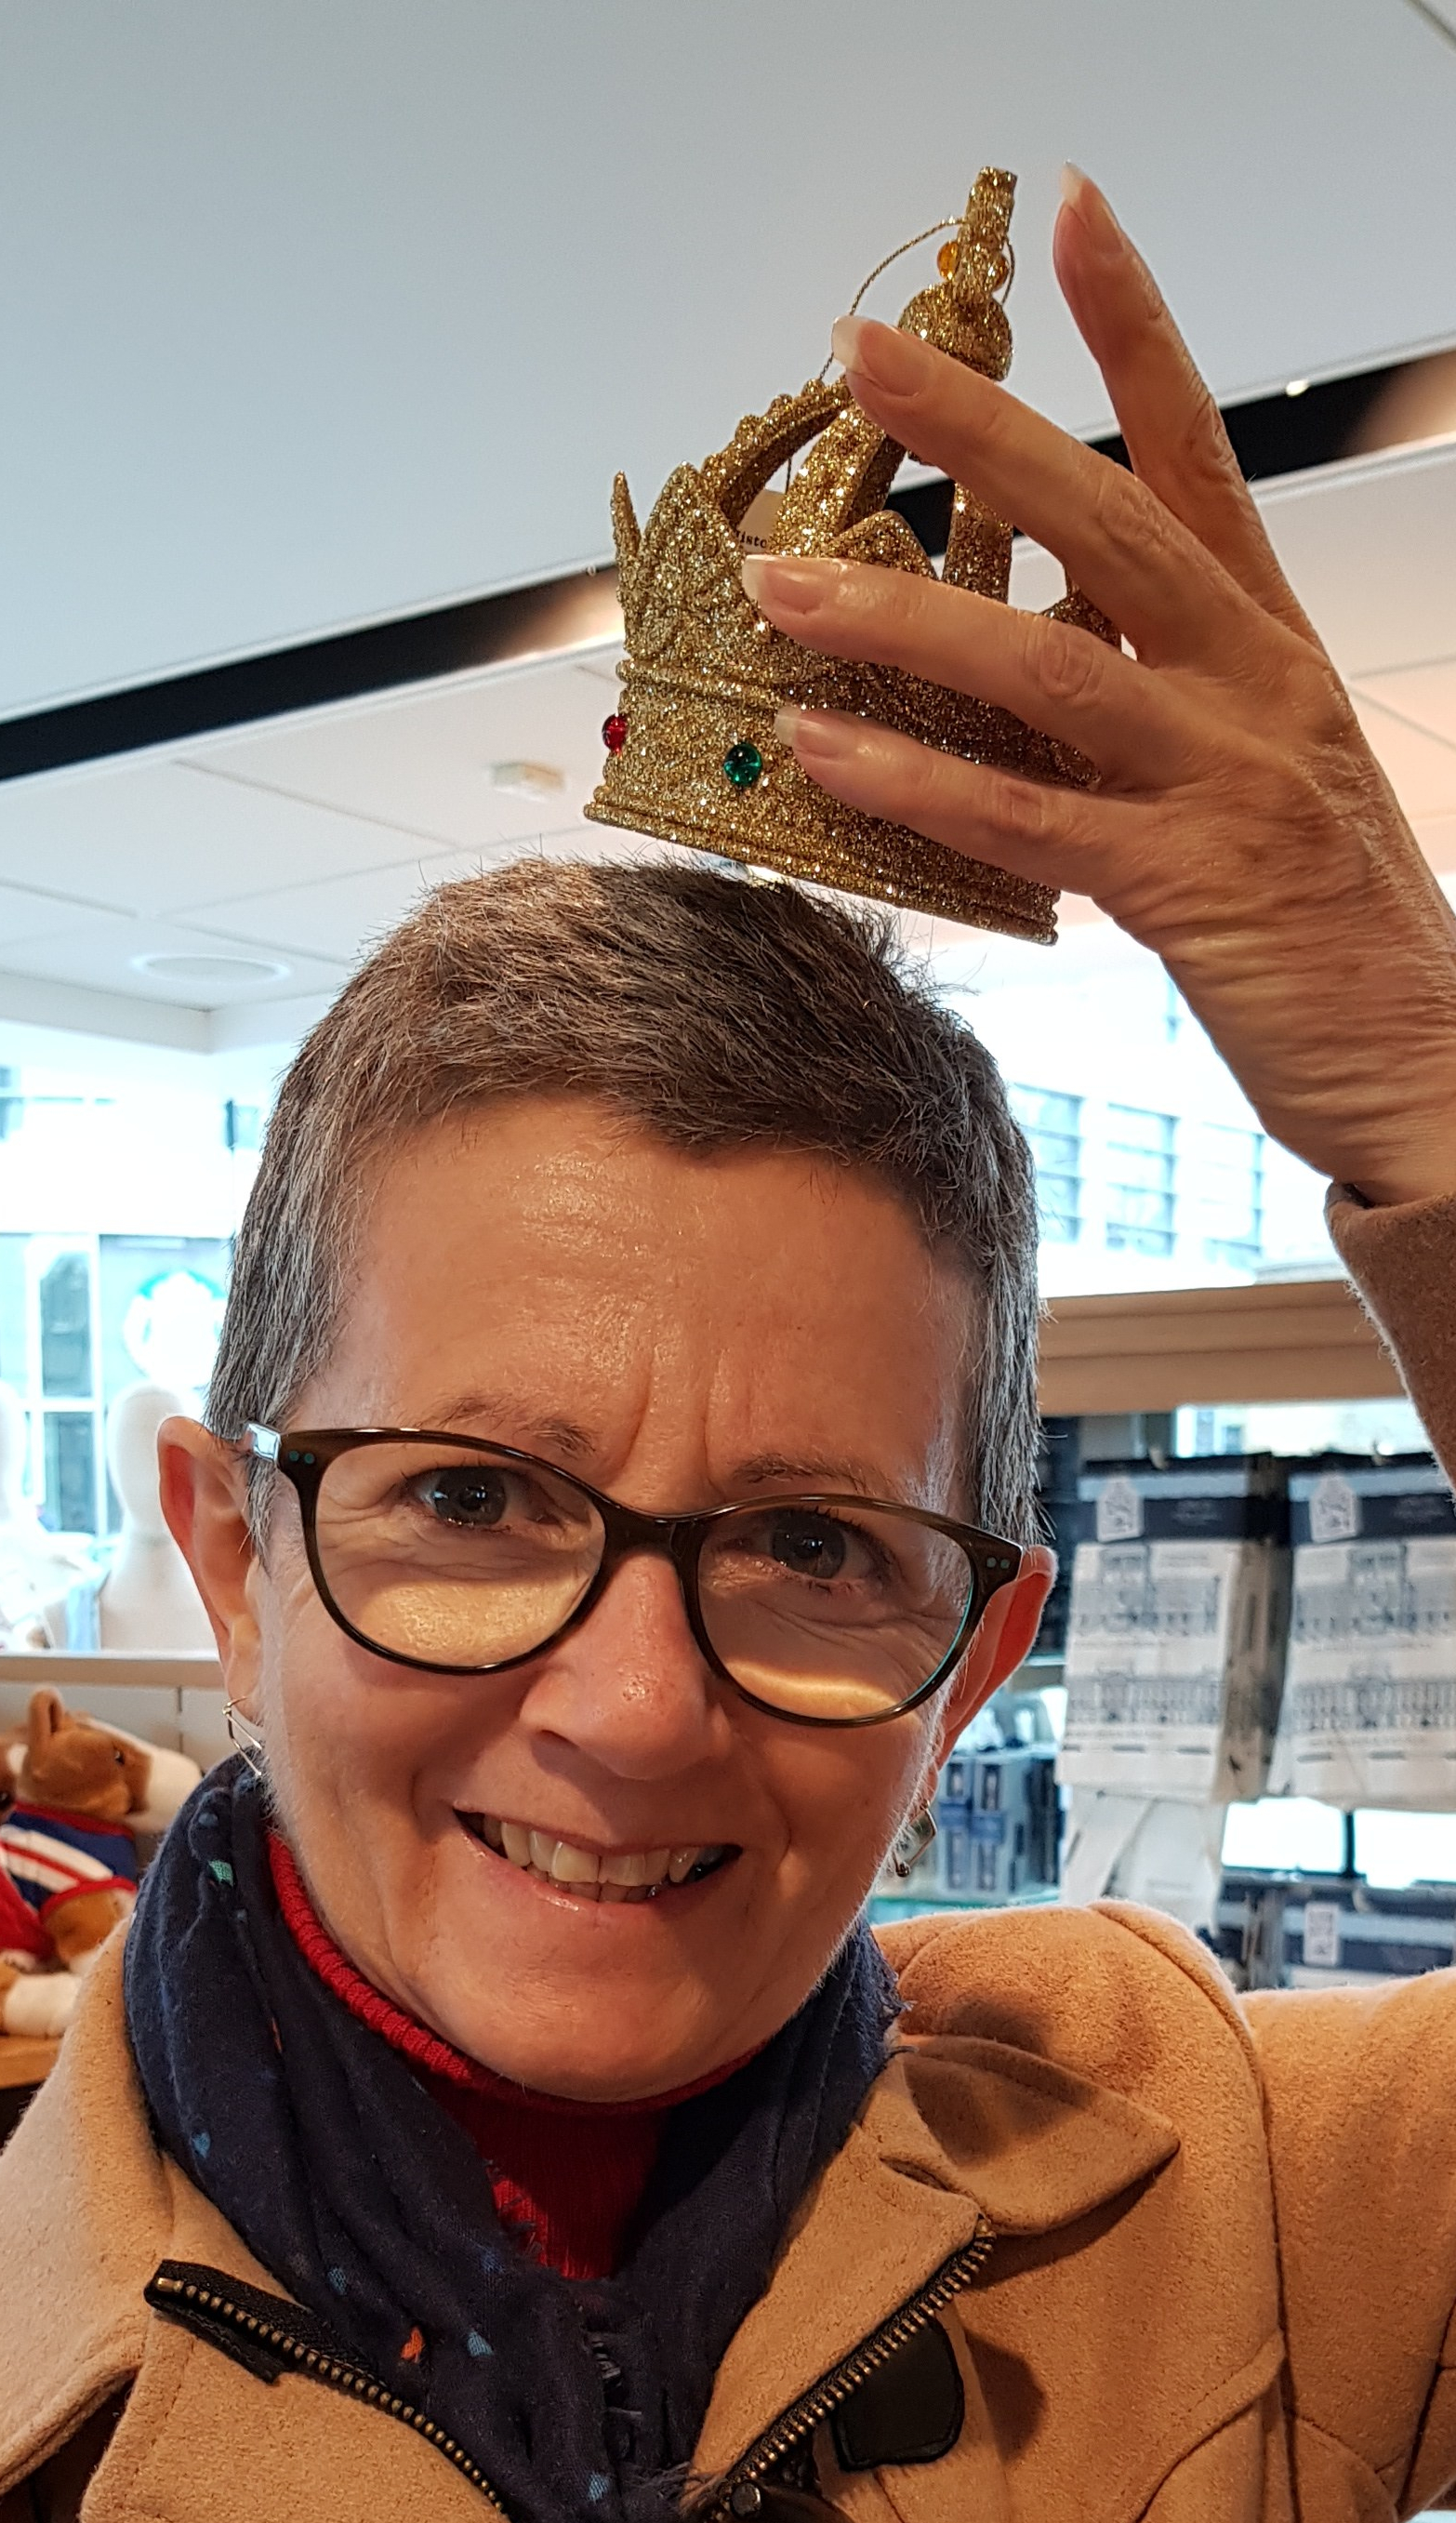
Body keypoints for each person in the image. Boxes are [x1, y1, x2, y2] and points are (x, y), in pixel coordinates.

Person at [2, 172, 1453, 2523]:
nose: (636, 1709)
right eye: (472, 1495)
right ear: (234, 1561)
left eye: (809, 1542)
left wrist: (1441, 1107)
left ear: (977, 1658)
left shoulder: (1244, 2191)